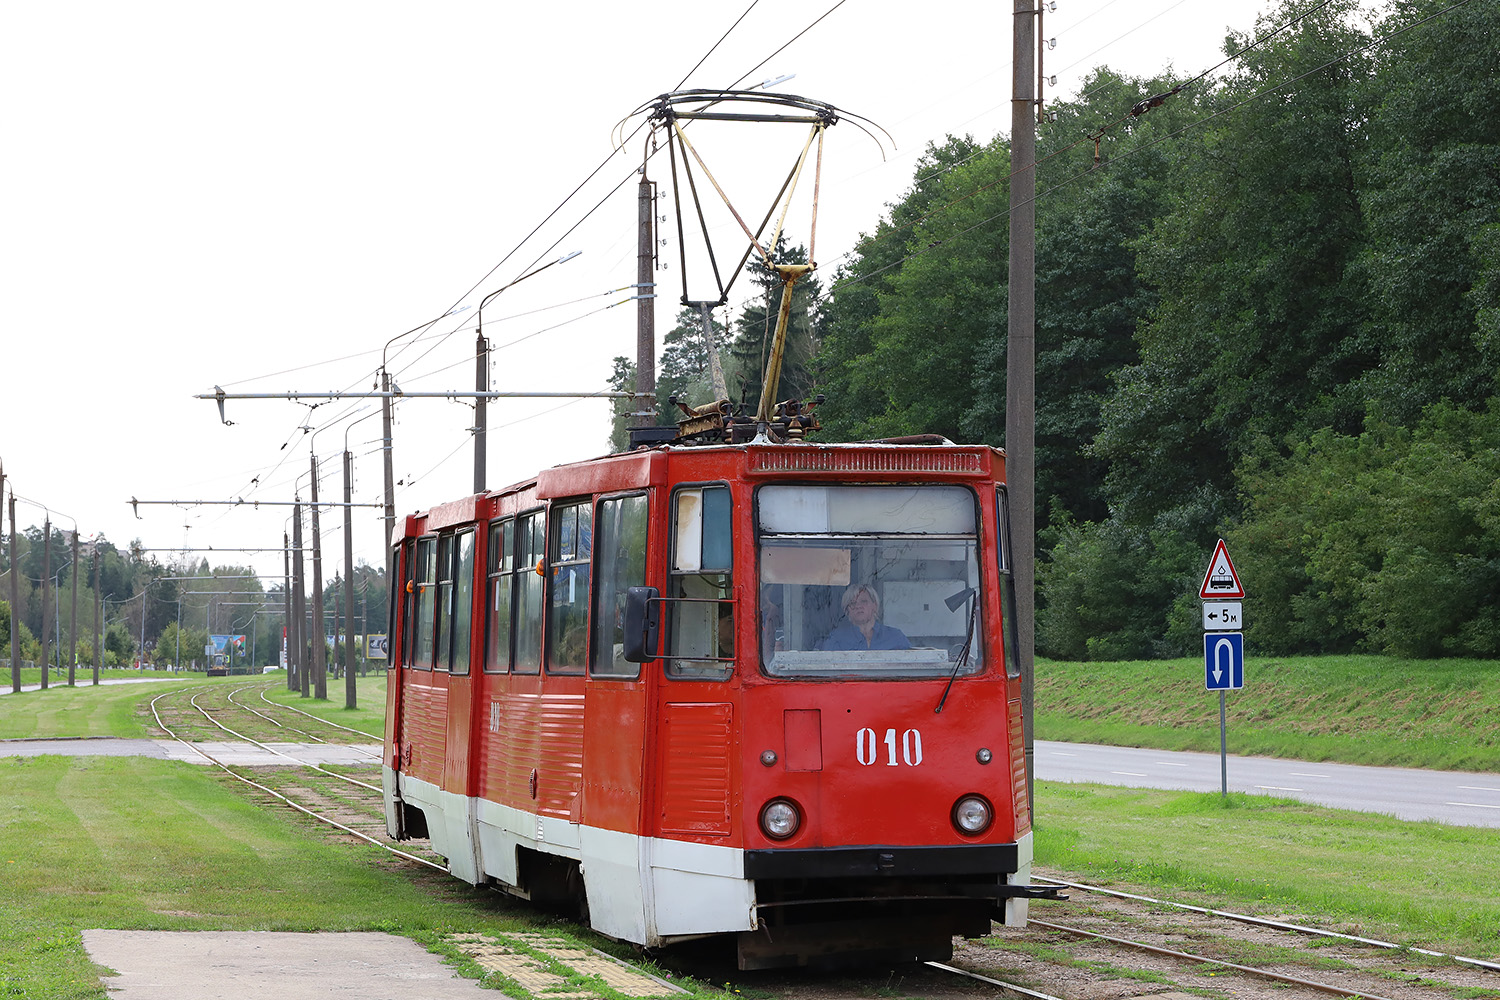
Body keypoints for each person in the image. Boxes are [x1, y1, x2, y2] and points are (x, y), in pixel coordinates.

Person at [819, 583, 909, 651]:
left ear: (875, 605)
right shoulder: (836, 638)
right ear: (847, 611)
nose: (858, 606)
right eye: (853, 603)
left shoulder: (895, 637)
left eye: (864, 601)